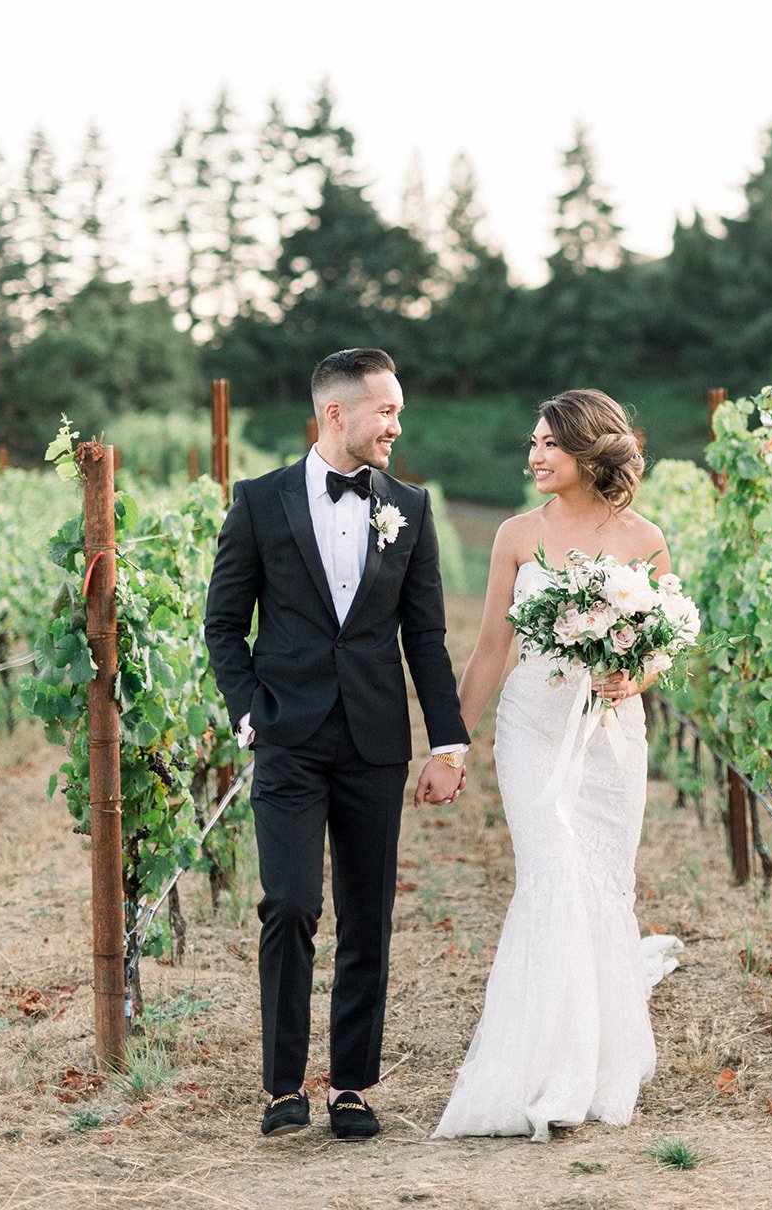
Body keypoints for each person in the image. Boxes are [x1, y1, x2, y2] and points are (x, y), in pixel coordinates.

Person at [204, 348, 470, 1141]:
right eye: (384, 411)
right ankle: (283, 1086)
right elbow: (224, 624)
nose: (396, 425)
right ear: (336, 414)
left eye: (397, 412)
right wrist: (248, 713)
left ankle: (351, 1086)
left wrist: (448, 743)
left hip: (373, 740)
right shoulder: (259, 502)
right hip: (286, 736)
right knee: (288, 905)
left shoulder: (411, 509)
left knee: (368, 917)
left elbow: (425, 638)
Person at [434, 388, 681, 1143]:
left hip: (610, 738)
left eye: (549, 444)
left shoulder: (645, 540)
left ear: (587, 452)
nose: (534, 455)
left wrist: (629, 676)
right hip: (533, 729)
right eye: (532, 442)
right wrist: (451, 745)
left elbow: (662, 645)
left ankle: (597, 1057)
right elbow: (487, 650)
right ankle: (540, 1068)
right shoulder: (515, 535)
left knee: (602, 882)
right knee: (551, 877)